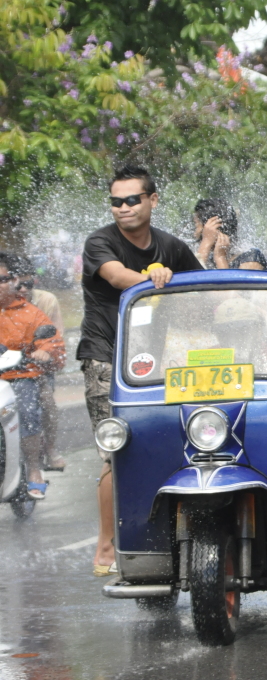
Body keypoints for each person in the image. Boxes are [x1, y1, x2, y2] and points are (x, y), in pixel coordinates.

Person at [79, 165, 203, 576]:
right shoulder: (100, 242)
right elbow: (118, 278)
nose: (124, 208)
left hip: (155, 364)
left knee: (177, 441)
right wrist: (154, 279)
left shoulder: (171, 247)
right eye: (116, 201)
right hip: (106, 359)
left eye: (132, 199)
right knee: (117, 453)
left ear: (152, 200)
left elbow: (206, 291)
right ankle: (106, 545)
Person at [0, 253, 66, 500]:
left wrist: (44, 351)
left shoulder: (31, 313)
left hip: (21, 376)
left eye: (2, 279)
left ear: (13, 281)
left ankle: (34, 470)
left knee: (29, 410)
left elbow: (52, 340)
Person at [193, 199, 267, 270]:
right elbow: (189, 278)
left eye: (196, 225)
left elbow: (233, 284)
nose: (194, 234)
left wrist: (220, 258)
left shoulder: (251, 259)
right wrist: (206, 244)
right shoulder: (210, 259)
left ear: (212, 229)